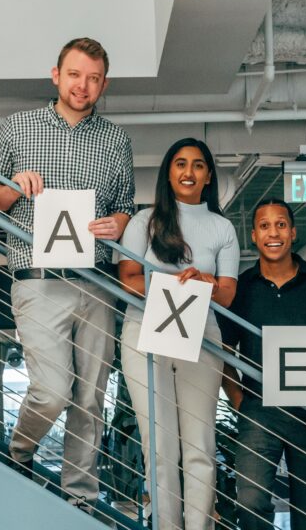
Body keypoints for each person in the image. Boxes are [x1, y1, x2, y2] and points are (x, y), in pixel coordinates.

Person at [0, 38, 134, 509]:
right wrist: (13, 186)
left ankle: (80, 499)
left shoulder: (116, 139)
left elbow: (125, 206)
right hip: (38, 278)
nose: (82, 85)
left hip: (96, 282)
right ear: (56, 74)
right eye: (74, 74)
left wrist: (122, 222)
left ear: (103, 83)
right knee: (51, 392)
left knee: (89, 399)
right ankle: (21, 452)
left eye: (93, 78)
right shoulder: (19, 127)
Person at [119, 138, 240, 530]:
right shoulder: (144, 221)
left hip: (202, 331)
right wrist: (172, 282)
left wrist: (204, 281)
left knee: (200, 446)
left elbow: (227, 293)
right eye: (180, 164)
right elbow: (128, 281)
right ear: (168, 172)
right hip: (145, 329)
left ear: (208, 176)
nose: (189, 172)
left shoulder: (222, 227)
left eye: (198, 165)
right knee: (159, 444)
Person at [220, 198, 306, 530]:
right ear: (253, 236)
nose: (273, 233)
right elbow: (222, 352)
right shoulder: (241, 288)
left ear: (292, 233)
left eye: (280, 225)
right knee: (249, 503)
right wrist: (241, 403)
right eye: (264, 226)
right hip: (259, 413)